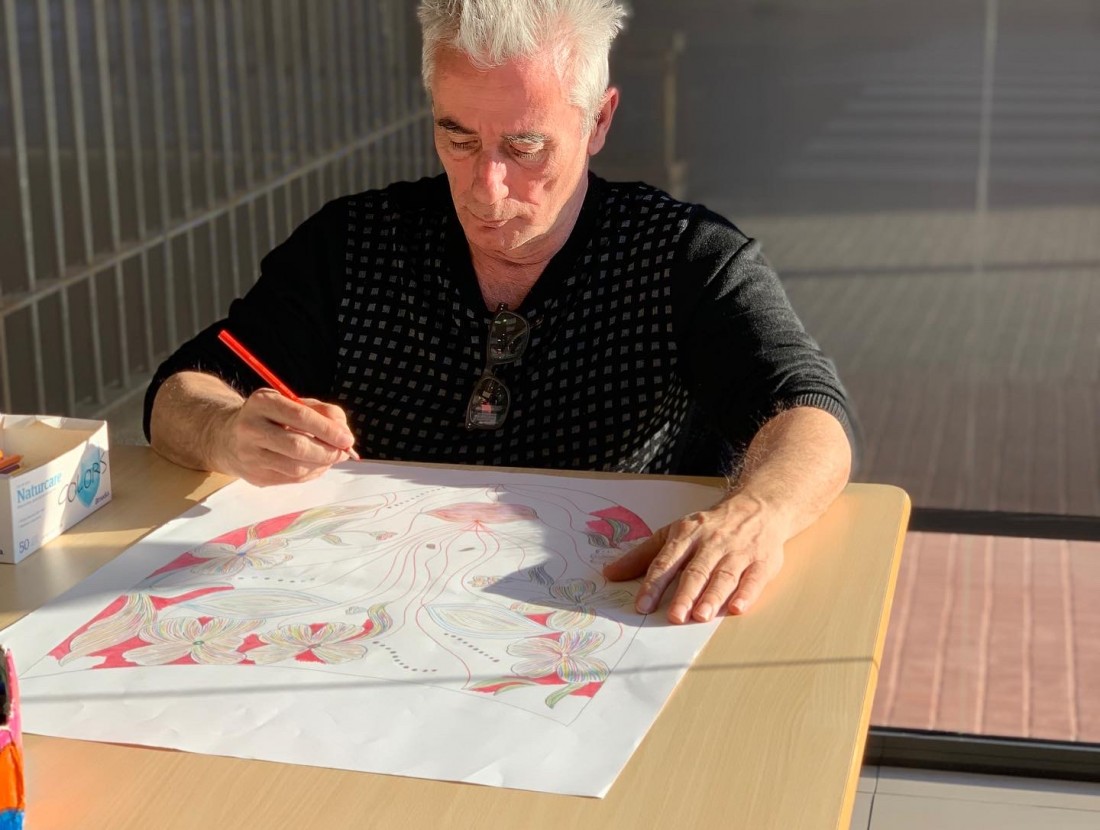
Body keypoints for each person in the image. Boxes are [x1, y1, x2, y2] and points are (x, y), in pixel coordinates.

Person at [145, 0, 855, 626]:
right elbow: (180, 389)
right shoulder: (353, 244)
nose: (487, 187)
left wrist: (758, 512)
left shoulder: (683, 256)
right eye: (459, 139)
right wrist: (226, 431)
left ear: (599, 119)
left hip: (601, 619)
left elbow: (809, 411)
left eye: (525, 147)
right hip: (369, 608)